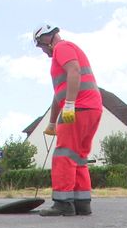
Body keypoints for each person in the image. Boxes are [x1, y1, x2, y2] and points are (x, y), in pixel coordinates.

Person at [33, 23, 103, 216]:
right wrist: (52, 122)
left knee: (63, 154)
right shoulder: (66, 50)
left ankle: (63, 203)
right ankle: (82, 203)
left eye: (40, 45)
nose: (41, 50)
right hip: (91, 108)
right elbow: (58, 95)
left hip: (78, 108)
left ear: (47, 38)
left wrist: (70, 104)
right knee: (78, 156)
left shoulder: (62, 48)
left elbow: (74, 71)